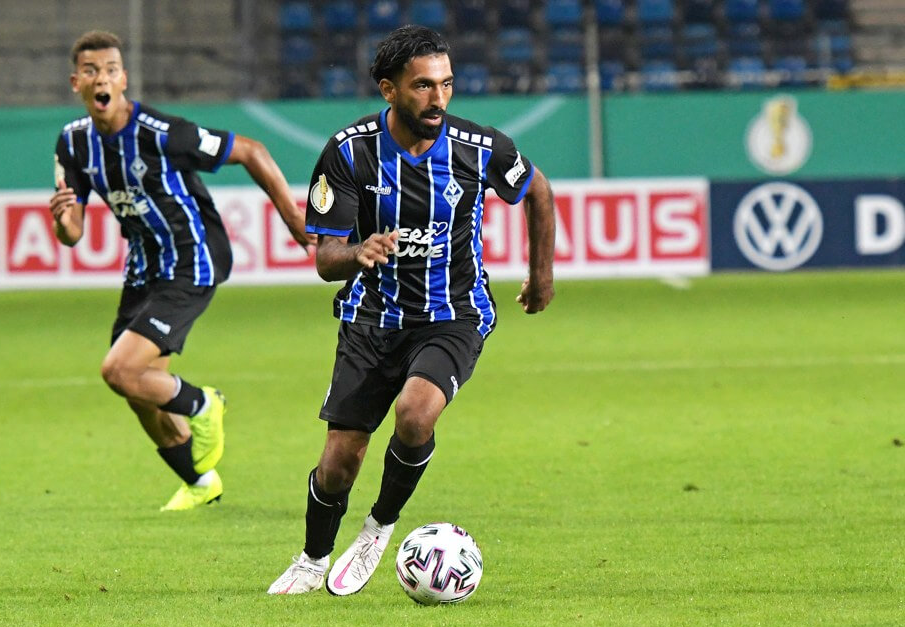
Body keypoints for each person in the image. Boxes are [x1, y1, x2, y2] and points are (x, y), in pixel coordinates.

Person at [268, 25, 555, 596]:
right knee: (339, 462)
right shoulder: (349, 152)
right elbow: (325, 259)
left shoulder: (479, 147)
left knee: (416, 413)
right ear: (389, 89)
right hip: (371, 318)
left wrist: (541, 275)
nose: (438, 98)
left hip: (454, 312)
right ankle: (313, 559)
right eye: (423, 86)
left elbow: (538, 191)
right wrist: (358, 251)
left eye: (446, 84)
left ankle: (379, 526)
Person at [49, 30, 313, 511]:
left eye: (110, 69)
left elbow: (251, 150)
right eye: (91, 71)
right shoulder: (73, 143)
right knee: (138, 391)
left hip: (193, 259)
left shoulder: (161, 133)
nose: (101, 78)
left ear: (123, 79)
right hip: (143, 269)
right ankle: (200, 482)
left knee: (118, 370)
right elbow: (72, 234)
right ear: (76, 82)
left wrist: (294, 218)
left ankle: (204, 404)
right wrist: (63, 219)